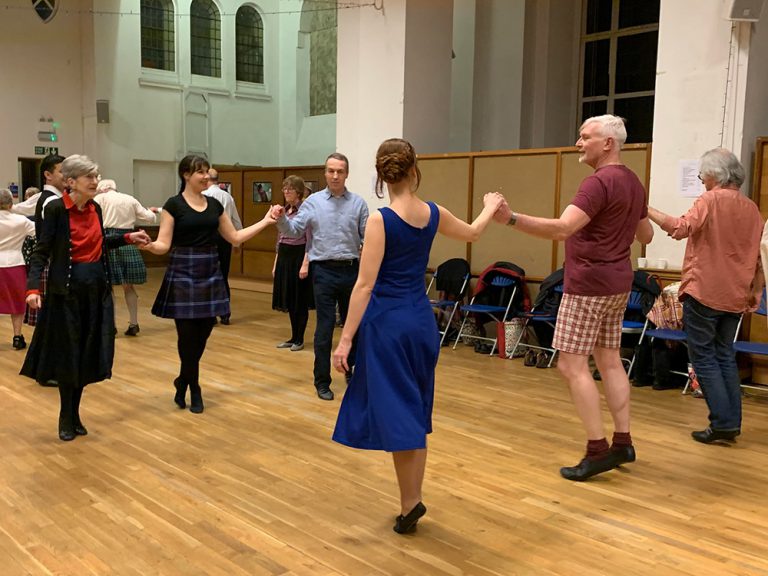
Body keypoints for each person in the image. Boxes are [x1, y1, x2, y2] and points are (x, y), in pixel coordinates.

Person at [331, 138, 502, 534]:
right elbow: (474, 233)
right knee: (412, 409)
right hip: (421, 322)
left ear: (380, 175)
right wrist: (490, 207)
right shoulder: (433, 213)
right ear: (413, 171)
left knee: (399, 413)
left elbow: (364, 286)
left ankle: (412, 502)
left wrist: (344, 341)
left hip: (388, 325)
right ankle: (410, 503)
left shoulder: (381, 220)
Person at [495, 114, 654, 481]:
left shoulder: (597, 183)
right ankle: (623, 441)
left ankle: (597, 449)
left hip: (588, 287)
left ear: (608, 143)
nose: (579, 143)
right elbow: (644, 235)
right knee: (610, 361)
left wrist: (511, 218)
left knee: (570, 365)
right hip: (618, 285)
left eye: (586, 137)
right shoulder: (632, 181)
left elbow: (563, 228)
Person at [20, 155, 150, 441]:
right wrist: (32, 289)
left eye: (96, 175)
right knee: (68, 356)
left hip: (95, 290)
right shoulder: (56, 210)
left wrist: (127, 238)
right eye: (89, 177)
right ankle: (66, 417)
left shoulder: (95, 209)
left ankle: (76, 414)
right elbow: (42, 251)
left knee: (87, 354)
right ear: (70, 182)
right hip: (66, 292)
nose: (95, 181)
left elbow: (100, 242)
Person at [142, 154, 277, 414]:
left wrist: (266, 221)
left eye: (206, 172)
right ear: (185, 175)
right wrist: (148, 245)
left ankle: (183, 378)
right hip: (182, 270)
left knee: (204, 329)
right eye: (200, 172)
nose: (206, 176)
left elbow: (235, 237)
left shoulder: (215, 205)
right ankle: (194, 386)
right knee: (186, 334)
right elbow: (163, 244)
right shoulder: (174, 205)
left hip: (209, 269)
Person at [648, 148, 763, 444]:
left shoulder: (710, 200)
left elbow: (679, 228)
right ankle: (730, 423)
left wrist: (645, 209)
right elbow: (756, 256)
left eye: (702, 174)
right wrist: (756, 289)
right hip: (736, 294)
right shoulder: (751, 208)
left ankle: (722, 423)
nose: (700, 179)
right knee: (724, 354)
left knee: (704, 358)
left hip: (705, 292)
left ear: (714, 174)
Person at [272, 153, 369, 401]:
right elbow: (294, 231)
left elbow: (367, 239)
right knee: (324, 329)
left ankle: (352, 372)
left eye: (340, 171)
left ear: (347, 174)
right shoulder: (313, 202)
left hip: (351, 271)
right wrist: (281, 218)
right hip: (323, 272)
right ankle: (322, 381)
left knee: (354, 327)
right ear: (325, 173)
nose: (335, 175)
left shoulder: (358, 204)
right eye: (330, 171)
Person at [94, 178, 158, 336]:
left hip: (108, 241)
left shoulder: (98, 199)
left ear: (102, 189)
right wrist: (152, 211)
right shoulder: (130, 198)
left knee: (109, 287)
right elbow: (150, 218)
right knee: (128, 286)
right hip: (129, 239)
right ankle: (134, 323)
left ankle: (112, 325)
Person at [272, 175, 312, 351]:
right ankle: (293, 336)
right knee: (289, 299)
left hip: (299, 255)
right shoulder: (284, 210)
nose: (286, 191)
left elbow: (311, 240)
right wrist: (276, 263)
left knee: (299, 300)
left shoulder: (305, 211)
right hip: (285, 256)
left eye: (290, 188)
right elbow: (279, 239)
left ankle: (299, 338)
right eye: (285, 188)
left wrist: (305, 263)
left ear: (298, 192)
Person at [203, 167, 243, 325]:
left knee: (208, 277)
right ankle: (225, 313)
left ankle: (211, 314)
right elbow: (235, 220)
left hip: (208, 239)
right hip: (225, 238)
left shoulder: (203, 196)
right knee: (223, 275)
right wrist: (237, 242)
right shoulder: (227, 196)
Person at [0, 188, 36, 349]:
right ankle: (17, 336)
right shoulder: (21, 221)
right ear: (10, 203)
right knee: (17, 302)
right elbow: (38, 233)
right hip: (15, 263)